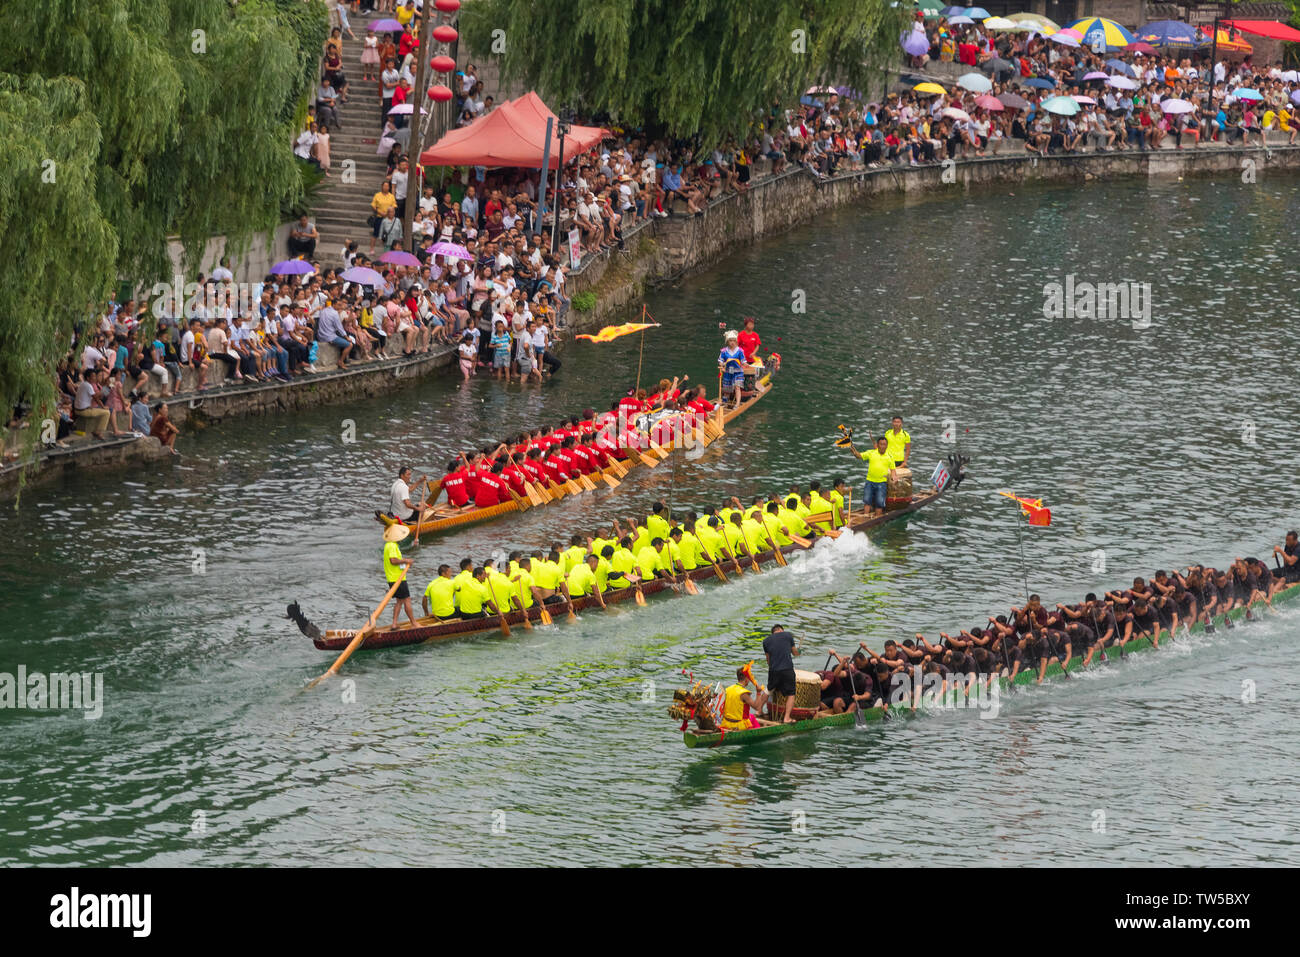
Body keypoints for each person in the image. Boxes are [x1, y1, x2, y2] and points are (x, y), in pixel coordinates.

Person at [762, 624, 800, 724]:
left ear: (773, 632)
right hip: (787, 669)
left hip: (773, 670)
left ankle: (758, 710)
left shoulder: (766, 641)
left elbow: (768, 660)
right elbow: (795, 653)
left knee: (769, 690)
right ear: (781, 630)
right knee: (791, 694)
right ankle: (786, 718)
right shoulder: (787, 635)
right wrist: (799, 651)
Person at [382, 523, 417, 628]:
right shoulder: (392, 546)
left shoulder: (389, 545)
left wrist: (405, 561)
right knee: (407, 600)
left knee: (399, 601)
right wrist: (406, 560)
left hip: (393, 578)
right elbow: (393, 561)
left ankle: (394, 624)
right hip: (398, 579)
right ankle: (414, 623)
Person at [855, 435, 897, 518]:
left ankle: (877, 518)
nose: (882, 446)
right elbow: (859, 456)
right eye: (881, 444)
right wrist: (854, 452)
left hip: (882, 483)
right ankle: (865, 518)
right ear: (877, 445)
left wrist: (894, 478)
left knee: (879, 502)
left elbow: (893, 471)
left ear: (887, 445)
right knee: (867, 501)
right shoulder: (871, 453)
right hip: (869, 481)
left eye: (884, 444)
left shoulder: (890, 456)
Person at [719, 330, 746, 407]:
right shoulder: (724, 351)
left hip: (738, 371)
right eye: (730, 340)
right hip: (728, 371)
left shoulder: (740, 351)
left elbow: (743, 360)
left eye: (734, 340)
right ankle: (725, 403)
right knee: (727, 389)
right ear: (727, 341)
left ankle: (737, 403)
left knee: (737, 387)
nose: (732, 342)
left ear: (736, 341)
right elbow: (721, 360)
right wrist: (721, 364)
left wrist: (745, 364)